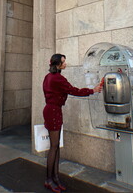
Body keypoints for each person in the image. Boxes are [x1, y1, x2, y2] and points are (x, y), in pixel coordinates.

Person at [43, 53, 104, 193]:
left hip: (51, 110)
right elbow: (74, 91)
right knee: (53, 147)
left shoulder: (48, 77)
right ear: (58, 64)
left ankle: (55, 178)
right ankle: (49, 180)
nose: (66, 64)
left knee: (56, 146)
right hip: (53, 111)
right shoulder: (58, 78)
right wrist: (92, 90)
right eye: (64, 62)